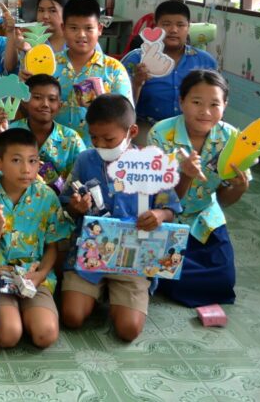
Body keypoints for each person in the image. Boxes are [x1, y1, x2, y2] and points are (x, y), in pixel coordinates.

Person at [60, 94, 181, 342]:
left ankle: (118, 295)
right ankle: (98, 292)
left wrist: (159, 214)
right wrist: (76, 207)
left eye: (109, 139)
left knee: (128, 330)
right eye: (94, 137)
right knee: (72, 317)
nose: (101, 145)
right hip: (89, 256)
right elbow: (66, 204)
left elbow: (170, 207)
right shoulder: (85, 160)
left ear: (132, 132)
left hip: (132, 260)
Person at [148, 70, 250, 307]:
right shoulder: (161, 134)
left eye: (214, 104)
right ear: (181, 101)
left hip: (206, 216)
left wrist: (239, 188)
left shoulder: (232, 138)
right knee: (171, 275)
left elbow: (224, 200)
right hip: (167, 217)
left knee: (224, 280)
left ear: (225, 105)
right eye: (196, 102)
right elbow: (161, 198)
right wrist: (185, 176)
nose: (205, 112)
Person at [0, 128, 72, 348]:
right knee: (9, 335)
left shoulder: (46, 196)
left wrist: (41, 274)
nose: (26, 169)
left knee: (45, 334)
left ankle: (26, 313)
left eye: (32, 161)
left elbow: (53, 245)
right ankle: (10, 314)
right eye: (16, 160)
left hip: (34, 277)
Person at [122, 0, 218, 139]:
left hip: (192, 128)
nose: (173, 30)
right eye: (166, 24)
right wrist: (137, 84)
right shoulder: (136, 60)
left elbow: (217, 101)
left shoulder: (205, 61)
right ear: (156, 26)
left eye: (180, 25)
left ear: (188, 27)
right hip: (147, 126)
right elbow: (120, 108)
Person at [46, 0, 132, 145]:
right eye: (74, 28)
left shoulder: (114, 70)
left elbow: (126, 118)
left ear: (99, 29)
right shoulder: (49, 65)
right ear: (63, 29)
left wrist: (101, 106)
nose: (81, 34)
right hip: (53, 150)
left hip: (97, 150)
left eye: (88, 28)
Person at [0, 74, 85, 193]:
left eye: (52, 99)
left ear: (60, 106)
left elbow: (83, 181)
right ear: (24, 102)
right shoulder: (10, 131)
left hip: (60, 202)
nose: (45, 104)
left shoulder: (72, 139)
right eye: (37, 97)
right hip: (15, 201)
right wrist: (0, 136)